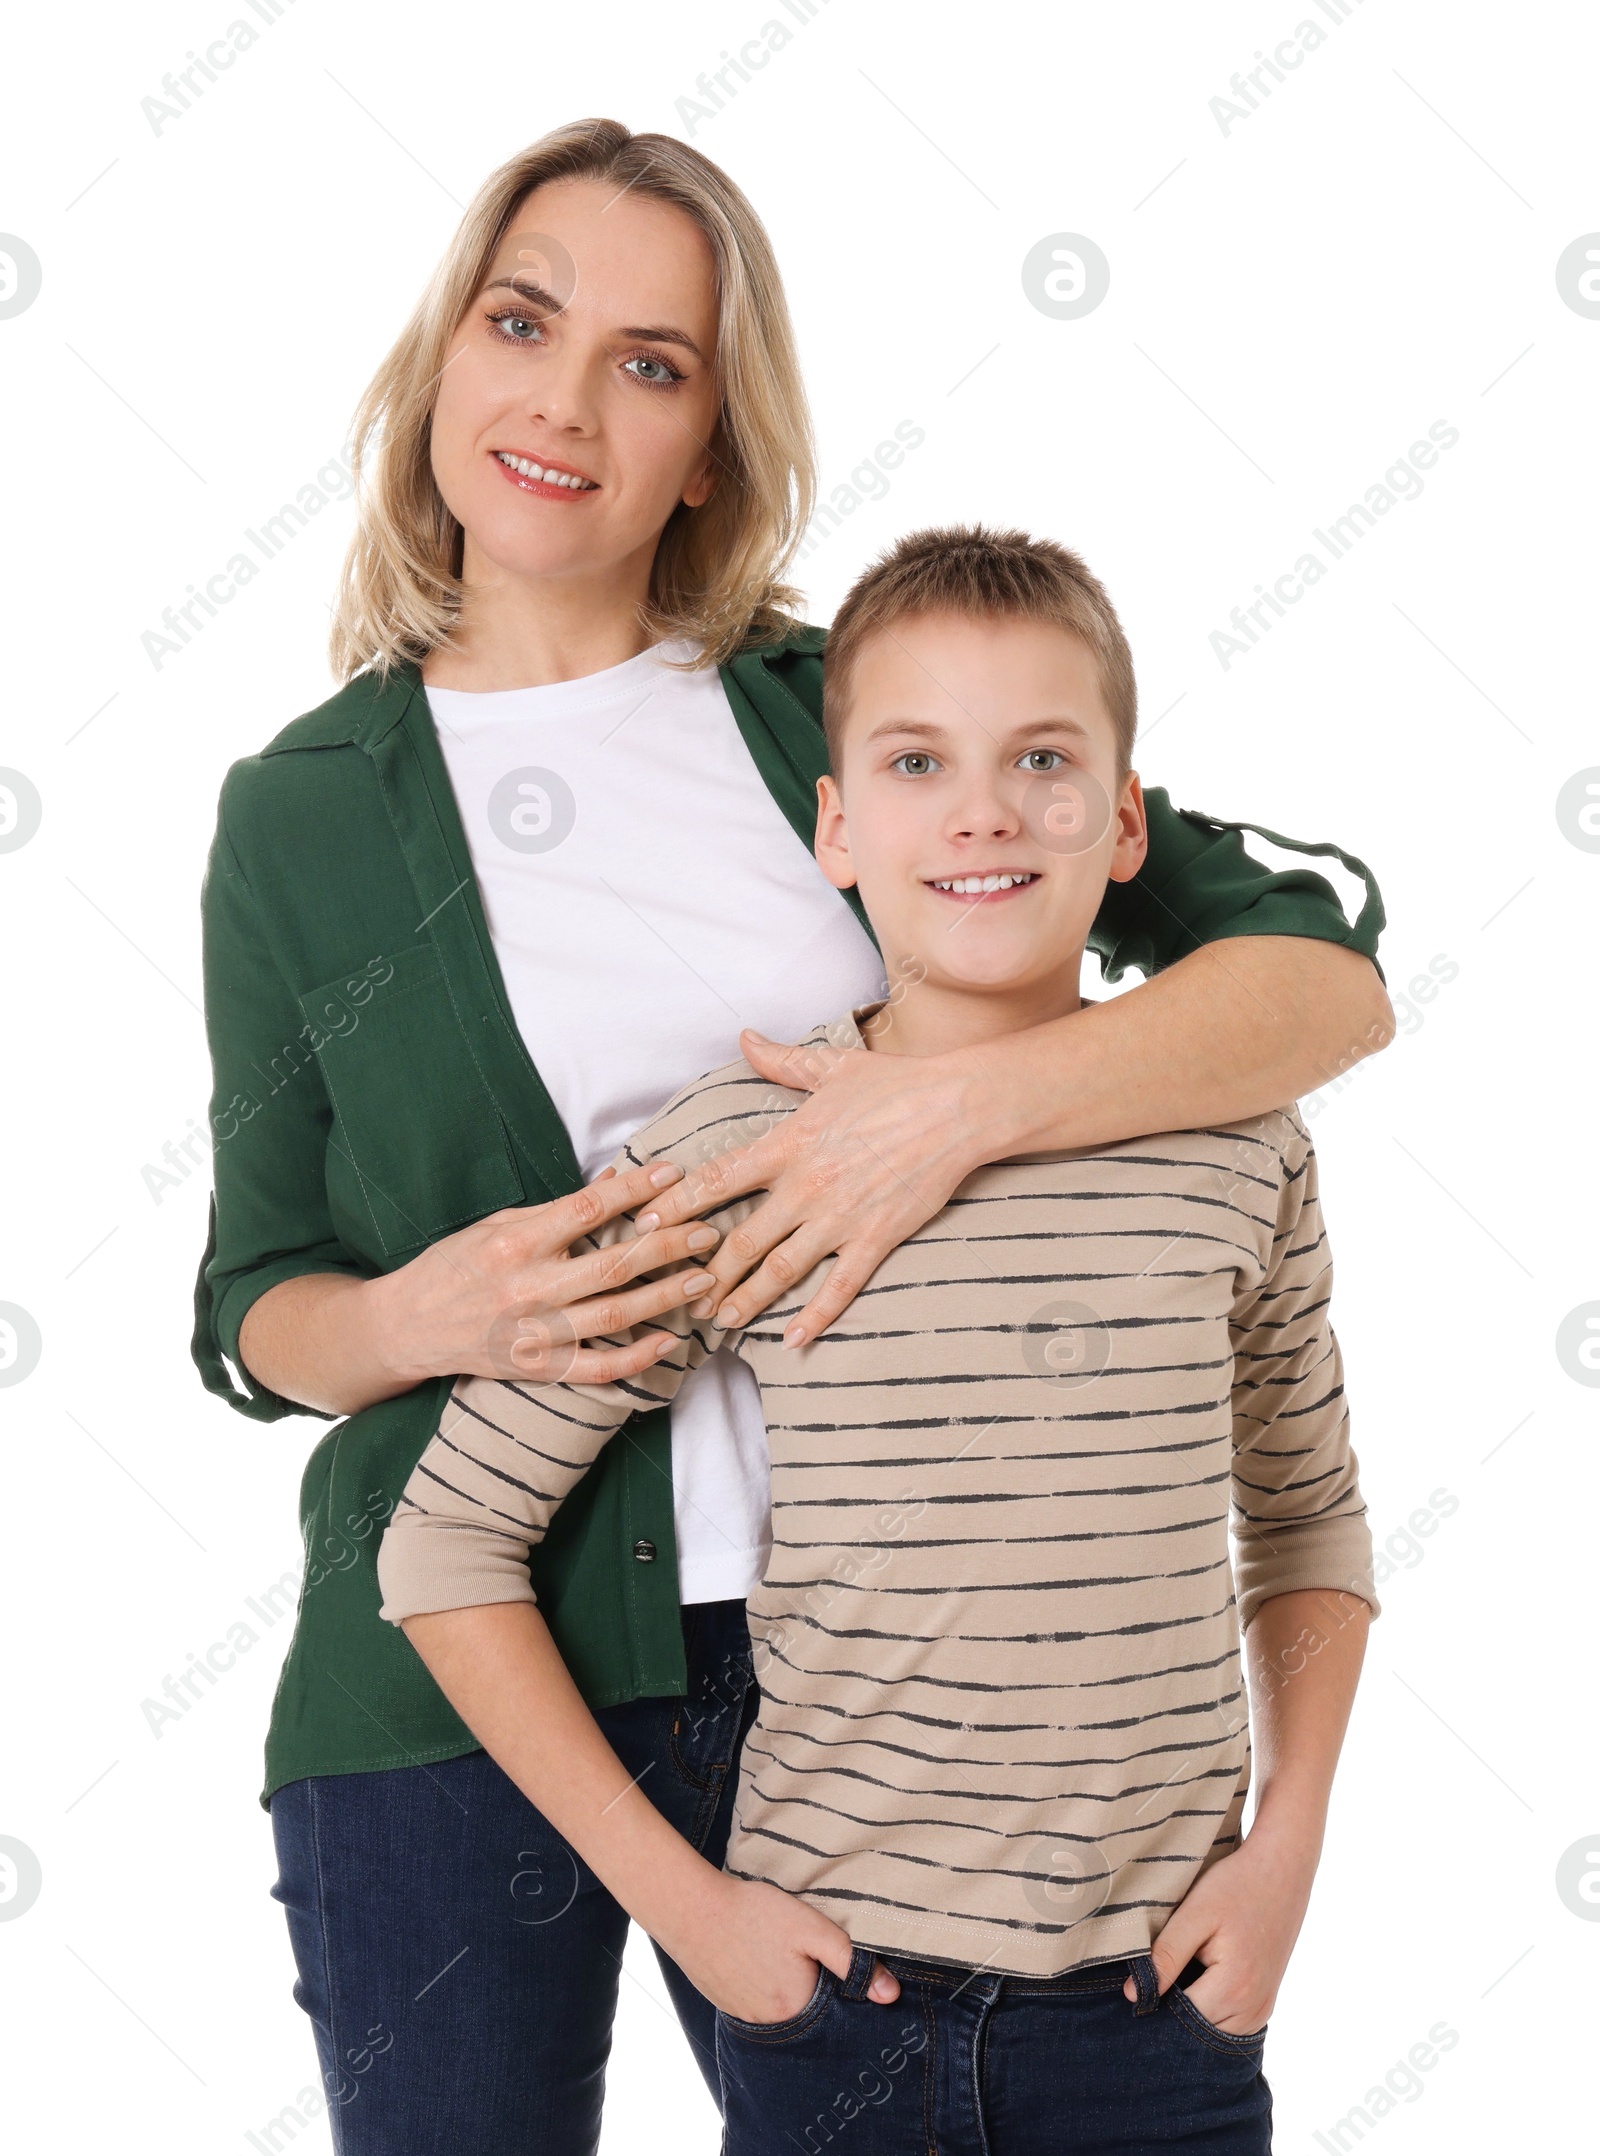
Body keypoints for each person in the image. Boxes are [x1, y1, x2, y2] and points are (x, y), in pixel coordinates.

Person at [194, 118, 1391, 2154]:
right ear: (443, 357)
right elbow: (249, 1310)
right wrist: (418, 1311)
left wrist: (959, 1105)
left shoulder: (844, 708)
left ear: (710, 447)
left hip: (829, 1680)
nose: (567, 401)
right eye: (523, 320)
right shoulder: (300, 811)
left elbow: (1314, 970)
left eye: (650, 363)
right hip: (446, 1690)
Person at [376, 525, 1380, 2155]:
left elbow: (1309, 1518)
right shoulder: (743, 1147)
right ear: (835, 828)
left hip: (1163, 2021)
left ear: (1125, 822)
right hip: (842, 2021)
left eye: (1043, 761)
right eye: (918, 762)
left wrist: (1292, 1850)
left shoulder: (1234, 1136)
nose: (984, 813)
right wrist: (697, 1922)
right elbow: (445, 1549)